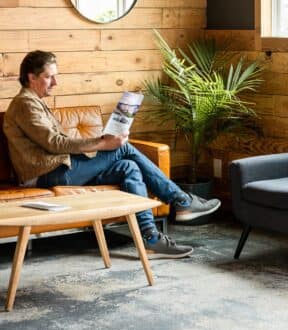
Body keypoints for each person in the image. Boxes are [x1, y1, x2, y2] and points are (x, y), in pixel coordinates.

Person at [3, 50, 221, 259]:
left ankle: (151, 240)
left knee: (129, 167)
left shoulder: (35, 102)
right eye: (49, 77)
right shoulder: (25, 104)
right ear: (31, 77)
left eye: (55, 77)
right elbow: (54, 143)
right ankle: (180, 200)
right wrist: (102, 143)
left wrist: (103, 141)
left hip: (60, 168)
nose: (55, 83)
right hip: (46, 173)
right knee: (122, 149)